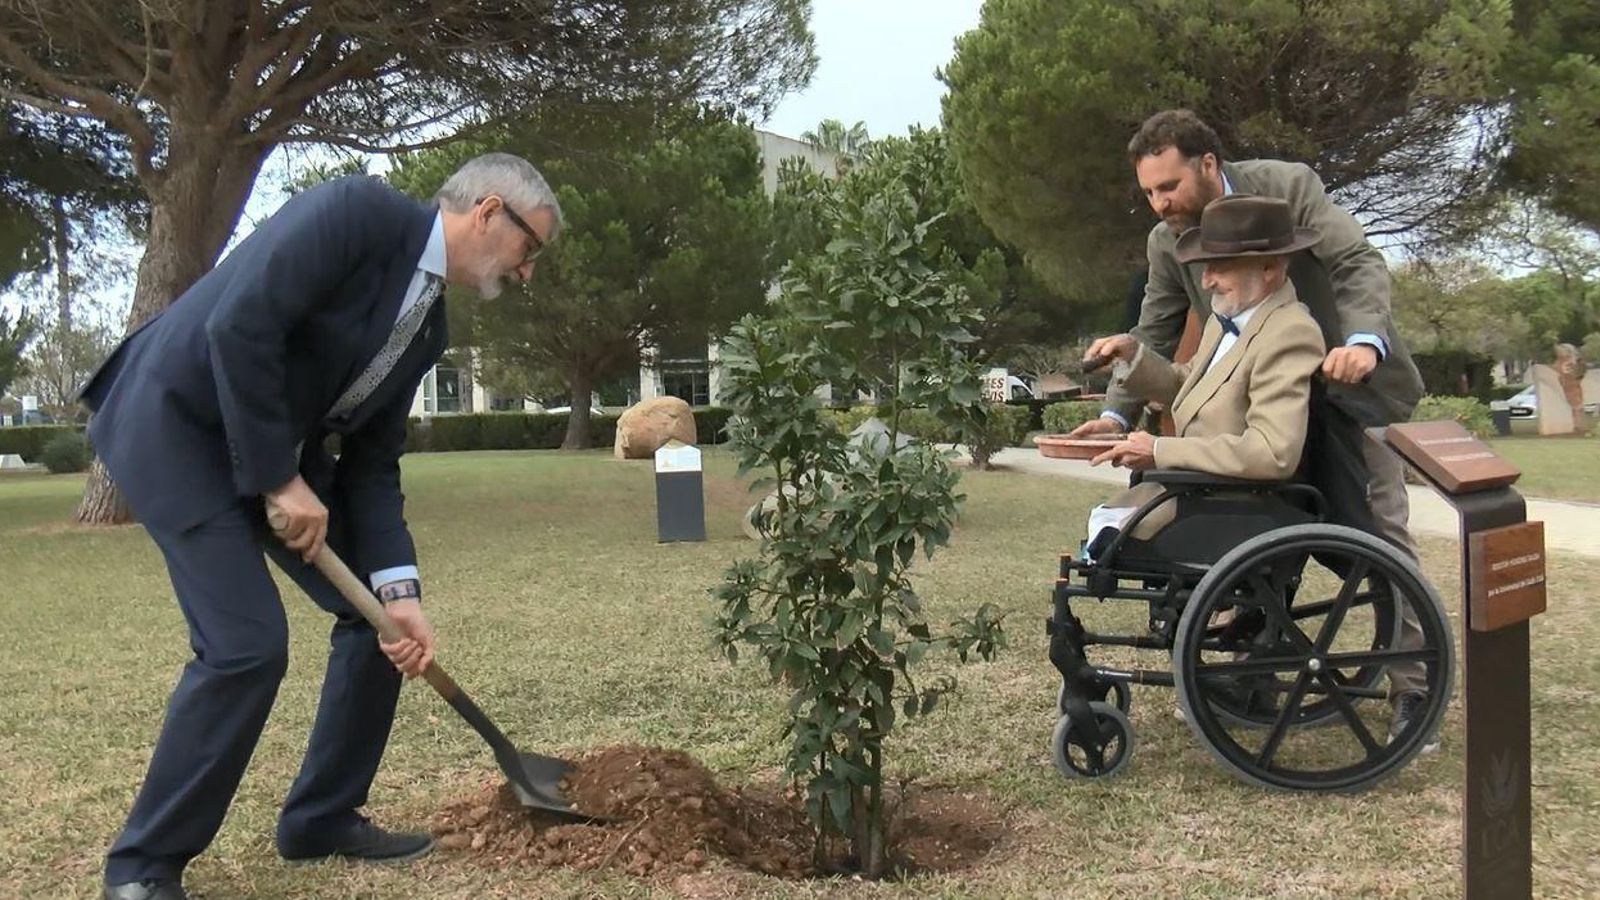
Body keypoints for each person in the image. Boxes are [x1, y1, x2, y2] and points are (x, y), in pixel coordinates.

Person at [79, 153, 561, 900]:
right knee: (245, 647)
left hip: (273, 456)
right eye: (531, 248)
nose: (527, 273)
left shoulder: (427, 328)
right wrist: (278, 477)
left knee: (380, 631)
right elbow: (240, 327)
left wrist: (398, 589)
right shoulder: (353, 214)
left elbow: (373, 467)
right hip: (177, 428)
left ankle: (320, 818)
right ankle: (142, 865)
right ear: (490, 211)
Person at [1070, 109, 1434, 749]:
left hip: (1349, 382)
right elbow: (1155, 331)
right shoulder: (1172, 243)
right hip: (1266, 399)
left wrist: (1362, 341)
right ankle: (1258, 672)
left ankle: (1412, 687)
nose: (1160, 205)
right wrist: (1113, 413)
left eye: (1169, 187)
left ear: (1208, 165)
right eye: (1149, 193)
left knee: (1381, 534)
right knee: (1262, 524)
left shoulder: (1286, 191)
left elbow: (1354, 262)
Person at [1081, 194, 1325, 551]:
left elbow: (1273, 453)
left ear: (1269, 268)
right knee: (1103, 528)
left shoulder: (1290, 332)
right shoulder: (1225, 319)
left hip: (1234, 508)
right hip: (1194, 494)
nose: (1206, 281)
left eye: (1219, 267)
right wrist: (1133, 356)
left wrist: (1161, 450)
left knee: (1111, 539)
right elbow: (1188, 384)